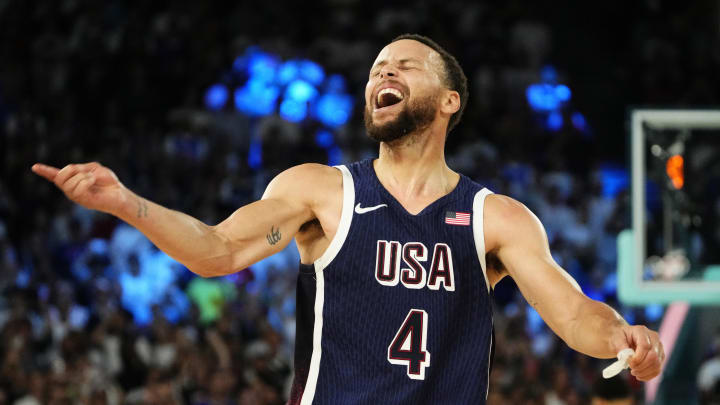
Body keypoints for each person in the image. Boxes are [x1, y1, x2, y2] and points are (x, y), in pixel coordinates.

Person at [32, 34, 664, 404]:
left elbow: (572, 310)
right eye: (376, 69)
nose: (382, 73)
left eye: (403, 66)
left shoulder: (495, 218)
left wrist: (622, 338)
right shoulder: (320, 193)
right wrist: (125, 203)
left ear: (449, 101)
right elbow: (218, 252)